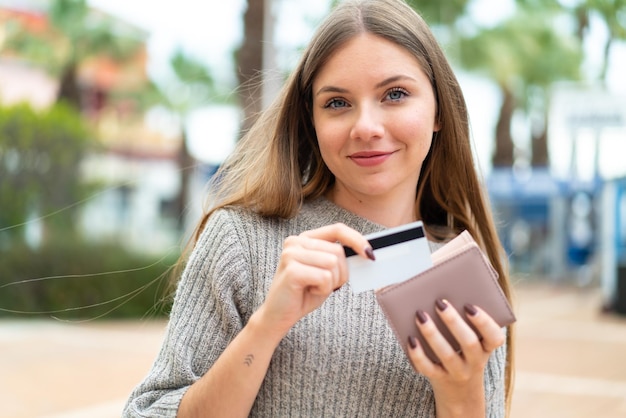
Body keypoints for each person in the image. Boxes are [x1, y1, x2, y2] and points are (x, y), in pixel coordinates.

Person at [123, 0, 515, 416]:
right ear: (311, 120)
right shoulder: (242, 241)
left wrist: (461, 389)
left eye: (395, 94)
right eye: (337, 103)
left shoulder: (464, 273)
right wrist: (266, 326)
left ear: (438, 109)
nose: (366, 127)